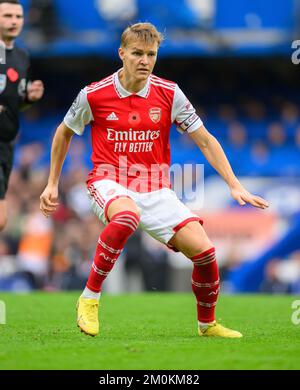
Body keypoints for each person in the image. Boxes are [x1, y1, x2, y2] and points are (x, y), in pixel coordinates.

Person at [40, 23, 269, 338]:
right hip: (109, 180)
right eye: (137, 53)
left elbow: (204, 140)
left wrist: (234, 184)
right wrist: (52, 183)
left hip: (155, 188)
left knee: (205, 253)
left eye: (151, 54)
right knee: (126, 217)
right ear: (122, 54)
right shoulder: (93, 95)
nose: (144, 60)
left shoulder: (170, 93)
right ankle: (90, 298)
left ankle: (207, 325)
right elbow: (63, 132)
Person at [0, 0, 44, 231]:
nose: (14, 21)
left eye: (18, 17)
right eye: (7, 16)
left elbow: (15, 103)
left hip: (6, 145)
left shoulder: (21, 56)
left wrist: (29, 99)